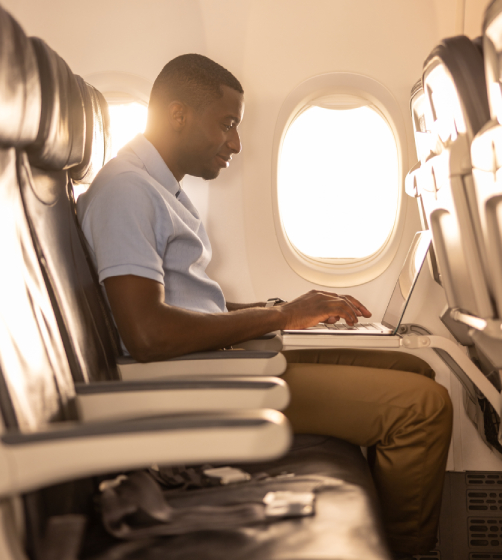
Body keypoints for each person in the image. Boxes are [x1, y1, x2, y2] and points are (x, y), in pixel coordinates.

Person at [77, 53, 452, 557]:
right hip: (196, 386)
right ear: (178, 114)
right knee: (422, 409)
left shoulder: (157, 188)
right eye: (227, 124)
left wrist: (275, 306)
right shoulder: (126, 191)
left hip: (216, 366)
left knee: (412, 368)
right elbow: (148, 334)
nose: (235, 142)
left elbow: (182, 302)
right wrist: (282, 317)